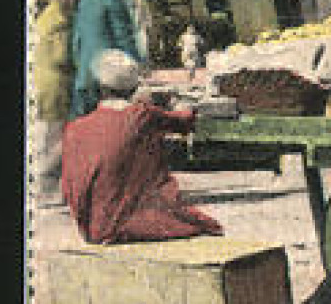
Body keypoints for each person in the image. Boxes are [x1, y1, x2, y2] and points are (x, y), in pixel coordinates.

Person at [61, 49, 223, 245]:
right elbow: (184, 120)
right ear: (133, 88)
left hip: (94, 225)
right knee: (204, 225)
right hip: (130, 223)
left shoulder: (74, 129)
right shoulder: (142, 115)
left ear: (100, 89)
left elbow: (71, 187)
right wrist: (180, 105)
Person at [32, 0, 89, 196]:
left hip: (54, 85)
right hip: (53, 86)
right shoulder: (58, 20)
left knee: (52, 139)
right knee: (53, 141)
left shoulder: (55, 15)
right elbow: (62, 56)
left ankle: (49, 189)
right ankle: (46, 190)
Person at [71, 0, 143, 118]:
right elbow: (124, 39)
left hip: (83, 78)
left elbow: (77, 39)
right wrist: (138, 70)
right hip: (104, 82)